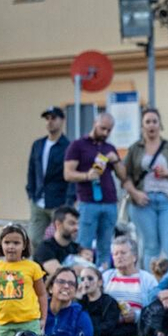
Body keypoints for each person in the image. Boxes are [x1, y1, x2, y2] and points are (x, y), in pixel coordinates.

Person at [121, 107, 168, 265]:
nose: (151, 125)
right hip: (143, 201)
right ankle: (152, 284)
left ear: (160, 125)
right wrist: (135, 193)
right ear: (142, 126)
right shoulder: (135, 149)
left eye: (154, 122)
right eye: (148, 122)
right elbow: (124, 176)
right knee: (151, 246)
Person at [62, 111, 125, 268]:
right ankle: (82, 278)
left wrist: (115, 160)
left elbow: (123, 176)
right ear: (94, 124)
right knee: (84, 245)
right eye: (102, 128)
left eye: (109, 130)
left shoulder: (109, 147)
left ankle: (101, 279)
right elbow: (68, 174)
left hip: (109, 201)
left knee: (105, 246)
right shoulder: (78, 145)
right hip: (88, 201)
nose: (105, 133)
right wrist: (86, 176)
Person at [26, 106, 72, 241]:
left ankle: (56, 262)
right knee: (34, 239)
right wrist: (30, 193)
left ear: (62, 120)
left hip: (59, 201)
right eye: (47, 118)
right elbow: (31, 170)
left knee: (60, 238)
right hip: (38, 200)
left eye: (53, 118)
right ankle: (39, 262)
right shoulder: (38, 144)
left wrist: (68, 202)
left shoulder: (67, 146)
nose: (49, 122)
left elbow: (70, 177)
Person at [33, 204, 79, 275]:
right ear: (58, 224)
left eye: (77, 224)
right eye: (71, 224)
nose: (76, 228)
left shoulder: (76, 248)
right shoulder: (45, 248)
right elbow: (60, 275)